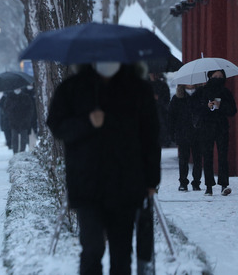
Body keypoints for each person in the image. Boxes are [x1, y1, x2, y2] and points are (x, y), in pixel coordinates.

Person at [47, 62, 161, 275]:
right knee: (92, 248)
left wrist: (151, 180)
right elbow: (57, 125)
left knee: (122, 253)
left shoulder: (137, 88)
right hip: (87, 182)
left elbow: (151, 137)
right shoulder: (73, 88)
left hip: (126, 182)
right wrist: (87, 122)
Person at [193, 69, 236, 196]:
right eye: (215, 76)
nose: (218, 78)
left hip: (221, 127)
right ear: (210, 76)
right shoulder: (201, 91)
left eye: (220, 76)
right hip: (206, 127)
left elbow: (233, 110)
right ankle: (209, 186)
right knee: (207, 157)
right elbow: (193, 107)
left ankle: (224, 184)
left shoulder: (225, 92)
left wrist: (220, 105)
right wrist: (205, 107)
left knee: (223, 156)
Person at [168, 84, 203, 191]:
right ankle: (183, 182)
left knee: (198, 159)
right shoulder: (177, 98)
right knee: (183, 159)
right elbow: (171, 116)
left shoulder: (201, 95)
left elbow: (205, 112)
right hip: (182, 132)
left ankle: (196, 182)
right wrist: (171, 133)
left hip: (198, 131)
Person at [3, 88, 33, 153]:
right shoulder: (10, 97)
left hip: (24, 120)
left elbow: (30, 109)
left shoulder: (26, 97)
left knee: (23, 138)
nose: (17, 90)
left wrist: (27, 118)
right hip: (13, 121)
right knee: (14, 138)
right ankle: (15, 152)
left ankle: (22, 151)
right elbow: (6, 109)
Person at [148, 72, 172, 147]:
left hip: (160, 111)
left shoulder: (163, 85)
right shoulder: (146, 85)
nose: (153, 75)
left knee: (161, 126)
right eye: (151, 73)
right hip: (149, 111)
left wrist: (158, 98)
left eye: (155, 73)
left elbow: (166, 99)